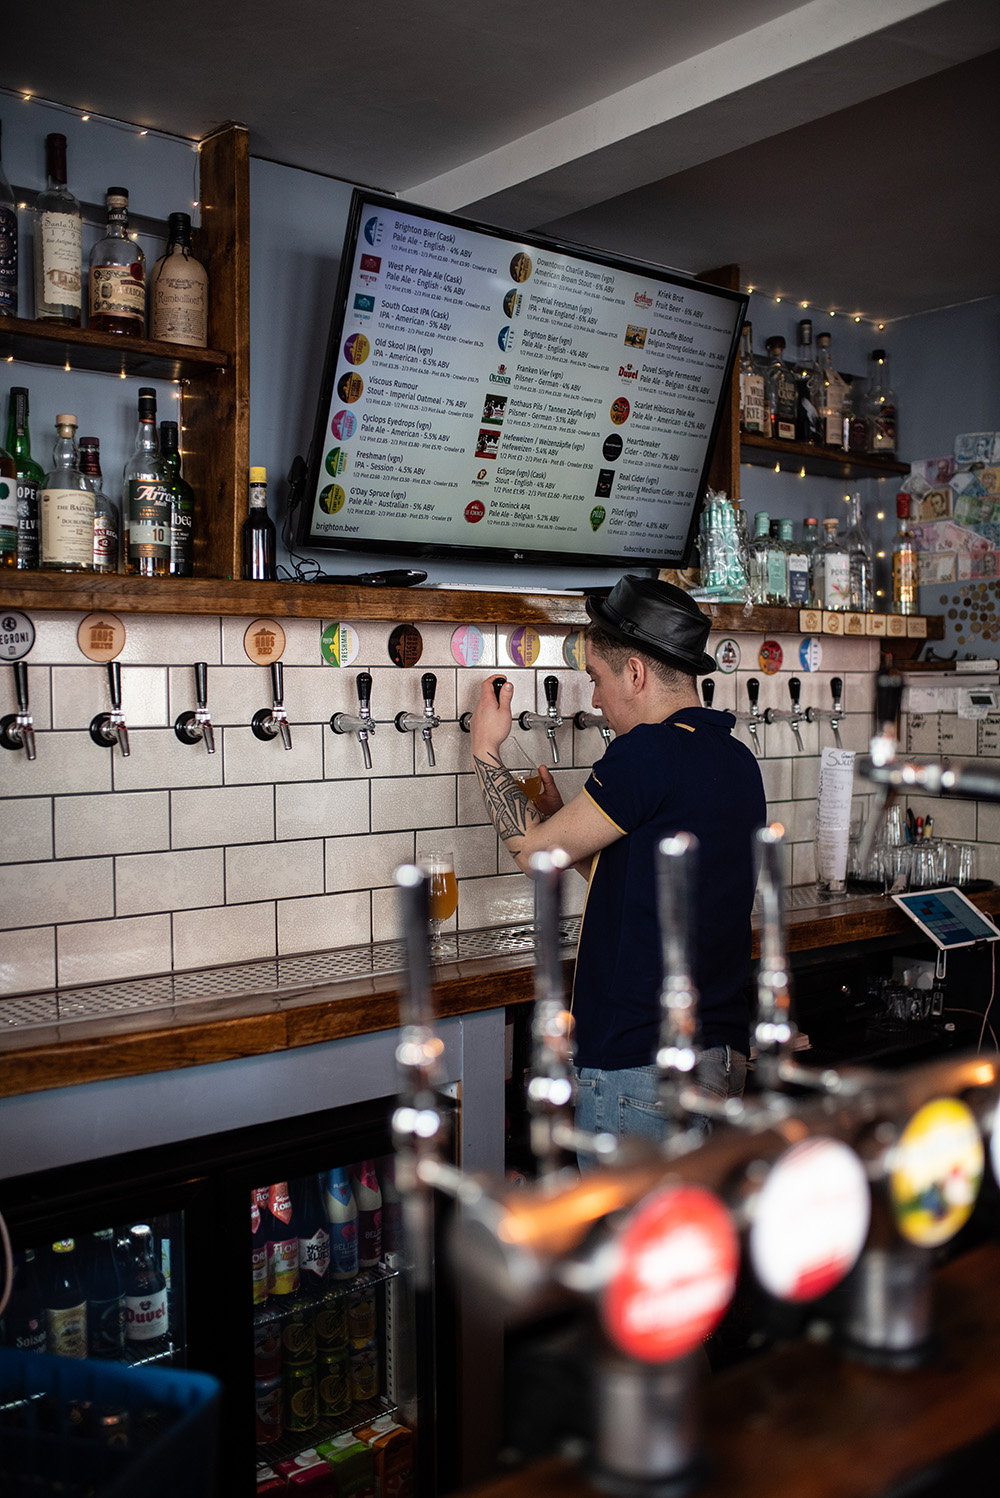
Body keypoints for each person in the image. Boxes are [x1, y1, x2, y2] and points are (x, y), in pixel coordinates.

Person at [468, 574, 766, 1141]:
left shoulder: (647, 751)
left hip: (640, 1067)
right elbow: (640, 884)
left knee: (628, 1231)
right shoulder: (734, 759)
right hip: (716, 1060)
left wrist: (485, 748)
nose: (597, 700)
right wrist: (566, 823)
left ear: (635, 672)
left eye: (597, 680)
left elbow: (534, 855)